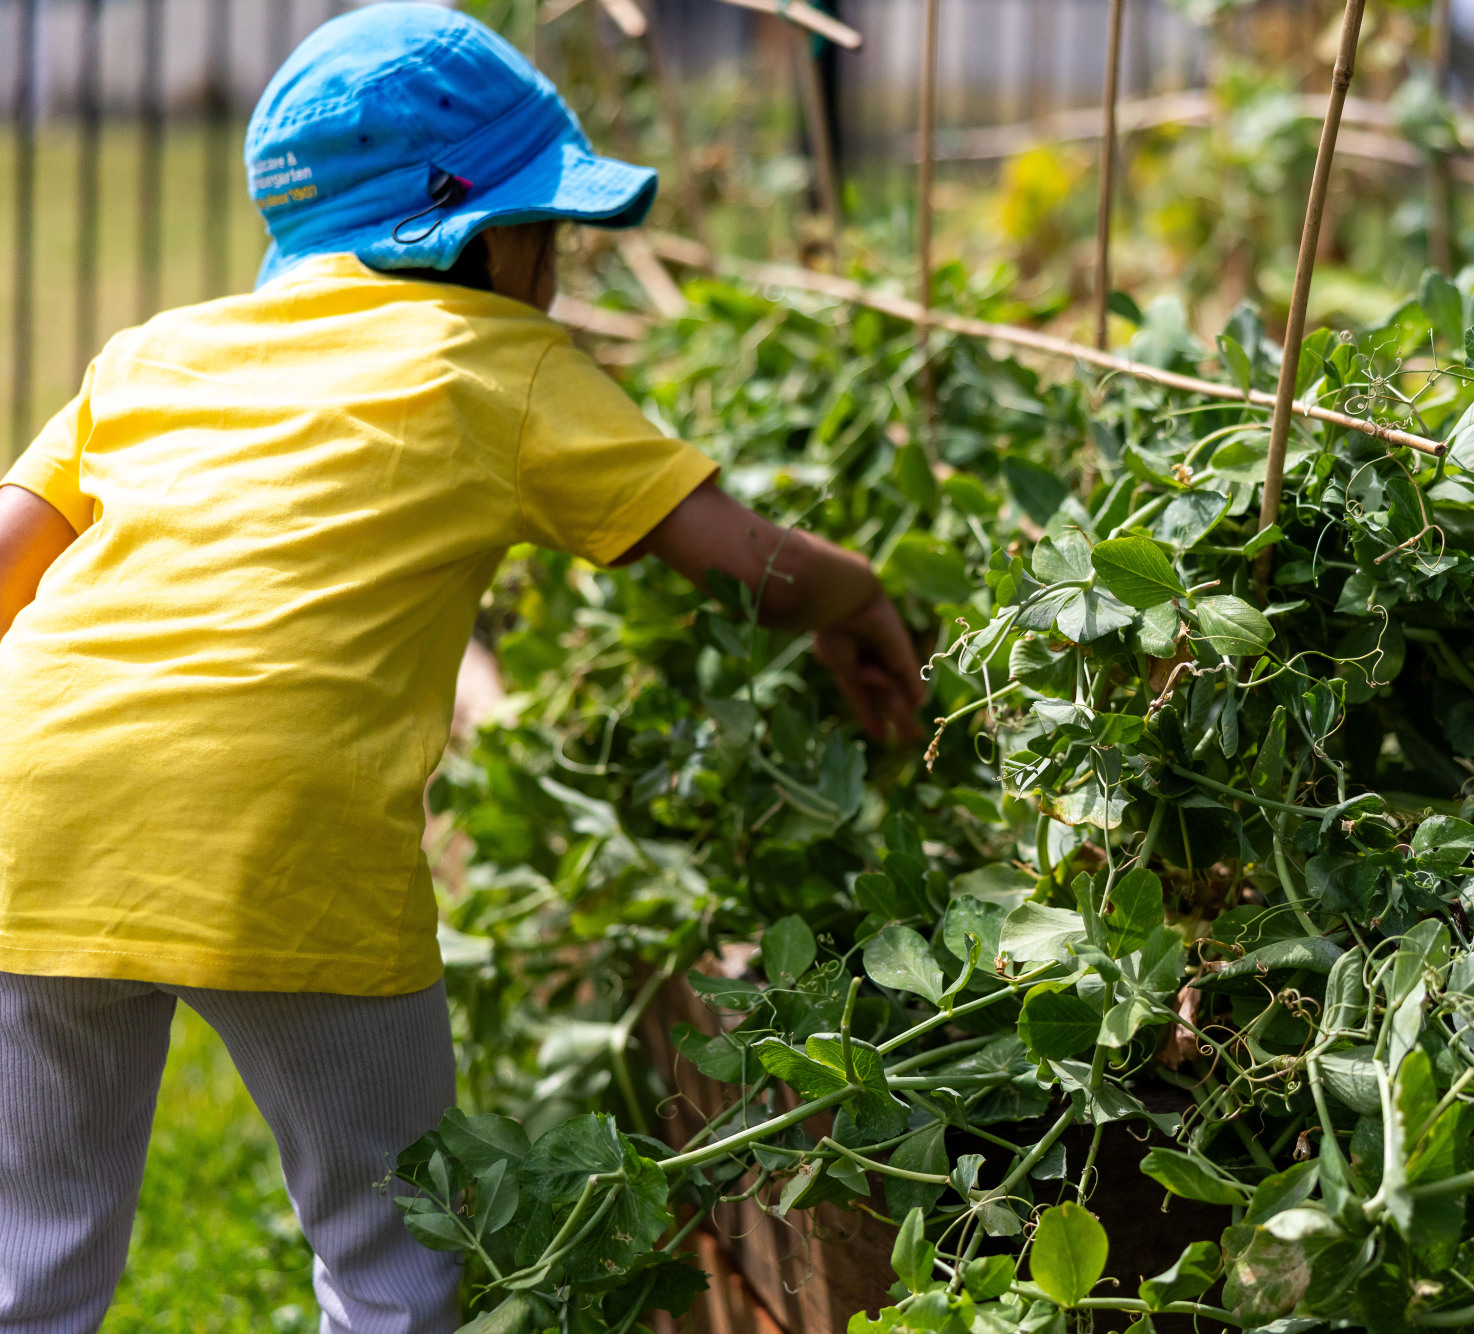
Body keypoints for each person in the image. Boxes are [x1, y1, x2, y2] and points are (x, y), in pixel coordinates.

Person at [0, 8, 922, 1332]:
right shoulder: (498, 359)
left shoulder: (150, 354)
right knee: (392, 1247)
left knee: (28, 1254)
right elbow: (738, 559)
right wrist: (858, 590)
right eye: (549, 234)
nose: (554, 270)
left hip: (35, 804)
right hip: (289, 831)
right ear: (475, 235)